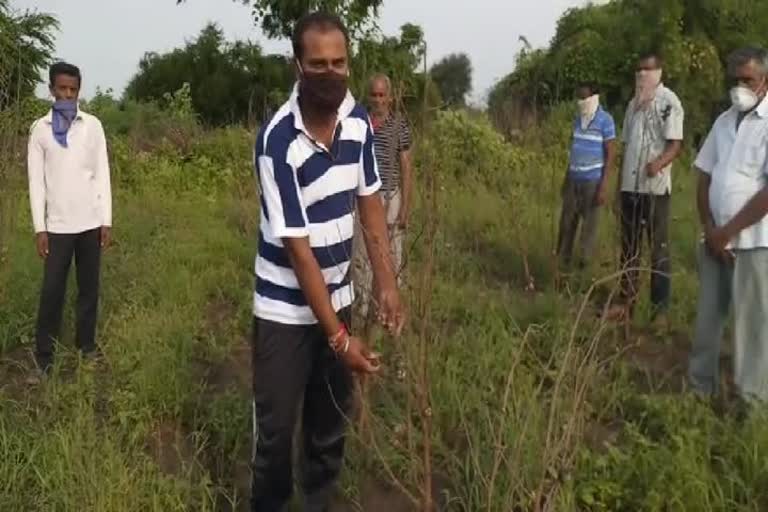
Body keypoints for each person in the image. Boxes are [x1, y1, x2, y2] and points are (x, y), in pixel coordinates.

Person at [250, 12, 404, 511]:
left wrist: (386, 281)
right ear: (298, 66)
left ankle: (318, 502)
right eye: (318, 64)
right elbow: (299, 251)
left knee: (329, 425)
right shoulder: (277, 144)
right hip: (283, 313)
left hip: (338, 297)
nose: (331, 74)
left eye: (339, 63)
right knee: (275, 438)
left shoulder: (359, 122)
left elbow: (372, 203)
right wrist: (340, 340)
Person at [689, 47, 768, 403]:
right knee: (707, 320)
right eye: (735, 80)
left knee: (751, 328)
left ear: (764, 81)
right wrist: (710, 228)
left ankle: (752, 402)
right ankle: (699, 390)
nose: (740, 88)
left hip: (753, 243)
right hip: (713, 240)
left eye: (747, 80)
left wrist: (728, 232)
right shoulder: (723, 121)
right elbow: (704, 175)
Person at [27, 62, 112, 379]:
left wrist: (106, 219)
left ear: (79, 91)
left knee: (89, 289)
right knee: (52, 292)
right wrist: (40, 228)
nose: (67, 94)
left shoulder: (92, 126)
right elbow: (37, 183)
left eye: (73, 90)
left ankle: (86, 347)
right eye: (61, 89)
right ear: (51, 90)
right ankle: (44, 357)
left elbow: (101, 173)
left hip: (90, 223)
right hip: (58, 228)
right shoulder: (41, 130)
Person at [605, 52, 684, 325]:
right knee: (629, 247)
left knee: (658, 248)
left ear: (658, 71)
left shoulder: (669, 102)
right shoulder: (632, 105)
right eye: (638, 71)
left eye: (647, 70)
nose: (641, 75)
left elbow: (675, 145)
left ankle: (659, 311)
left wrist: (658, 163)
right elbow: (626, 148)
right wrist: (618, 190)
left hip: (655, 189)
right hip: (630, 187)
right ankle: (626, 302)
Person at [354, 73, 413, 321]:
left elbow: (407, 167)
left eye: (382, 95)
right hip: (363, 198)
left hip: (390, 196)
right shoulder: (359, 123)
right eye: (374, 95)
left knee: (391, 256)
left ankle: (388, 311)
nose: (378, 100)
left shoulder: (399, 126)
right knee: (361, 257)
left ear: (389, 97)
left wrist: (405, 209)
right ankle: (362, 310)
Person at [556, 82, 616, 270]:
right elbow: (574, 151)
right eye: (578, 97)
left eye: (585, 97)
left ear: (594, 97)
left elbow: (611, 153)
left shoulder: (605, 120)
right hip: (574, 178)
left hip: (592, 181)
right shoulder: (577, 120)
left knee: (589, 228)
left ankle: (583, 266)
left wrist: (603, 186)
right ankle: (561, 263)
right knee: (566, 224)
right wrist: (566, 180)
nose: (581, 101)